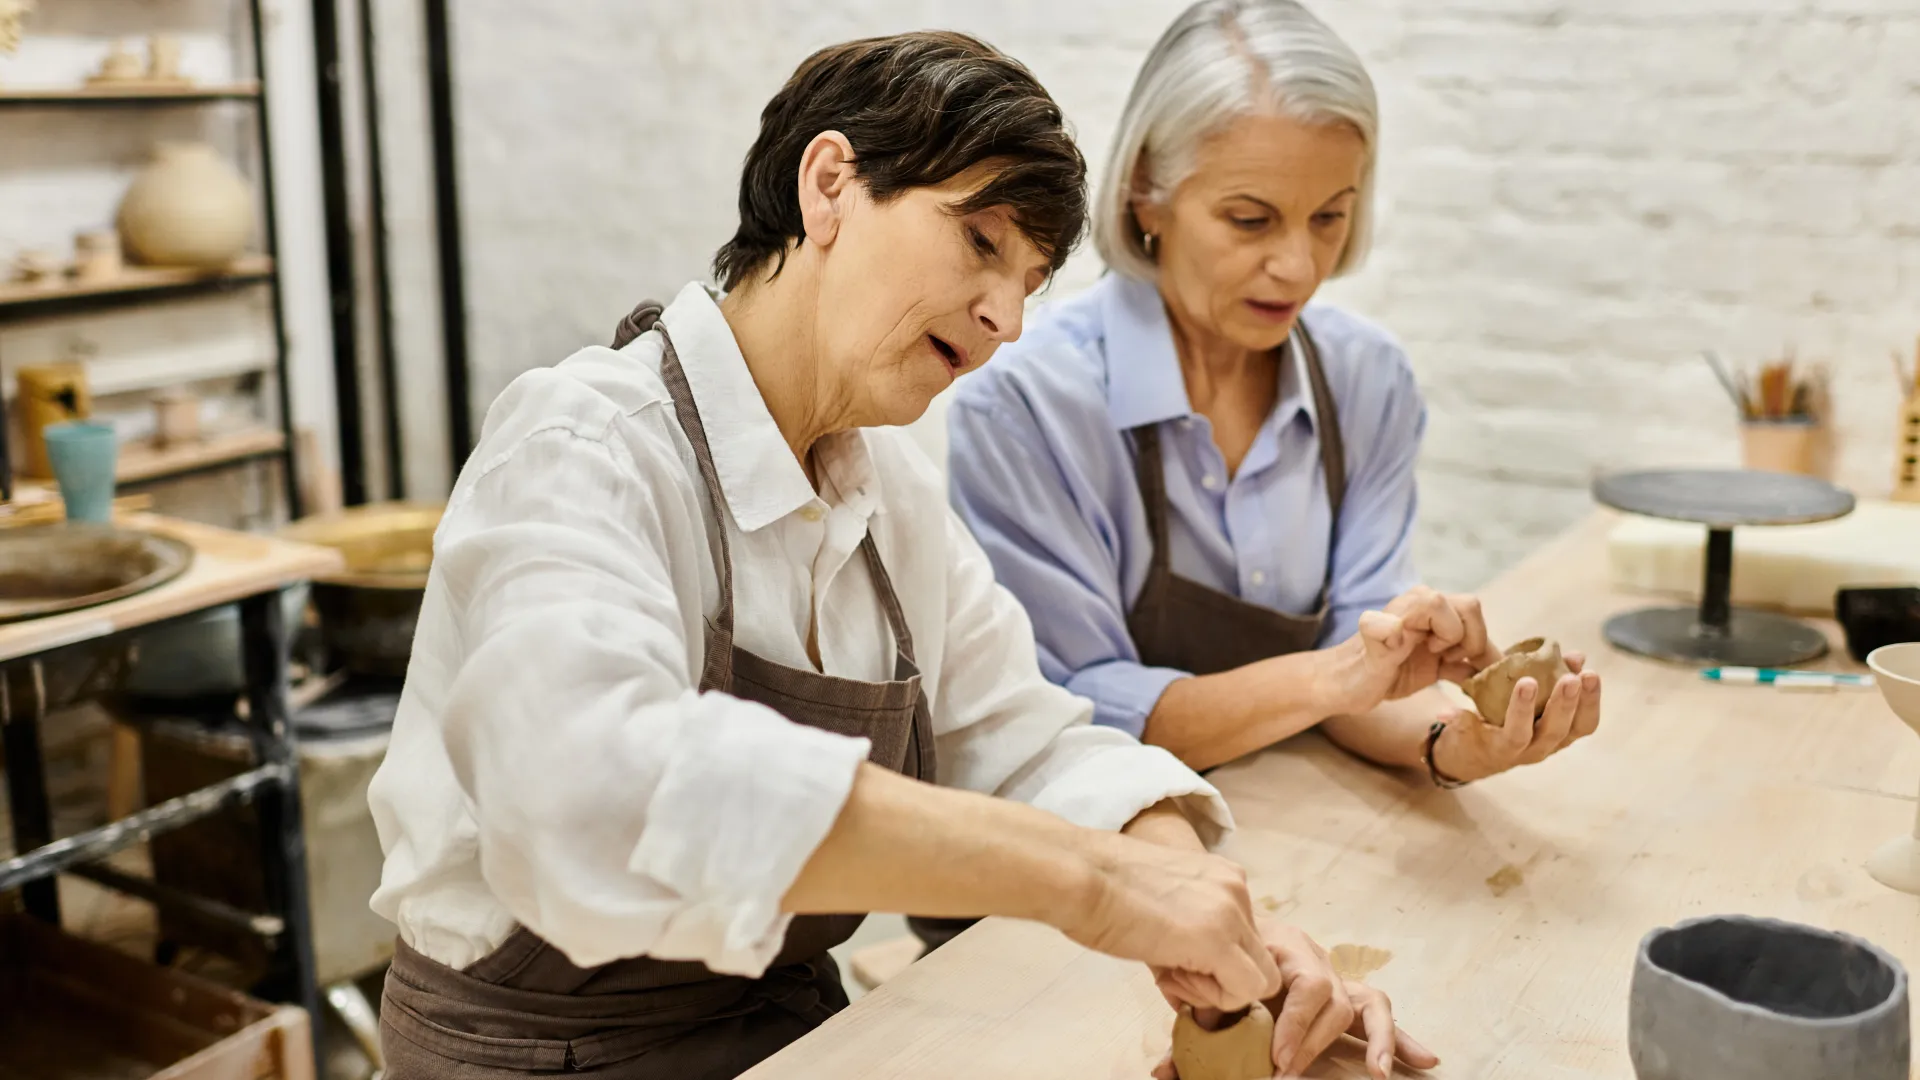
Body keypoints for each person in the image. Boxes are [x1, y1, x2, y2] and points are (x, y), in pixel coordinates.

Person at [366, 31, 1439, 1080]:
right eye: (980, 243)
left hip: (788, 1025)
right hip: (540, 1052)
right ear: (829, 185)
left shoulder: (889, 496)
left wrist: (1216, 914)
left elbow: (1027, 742)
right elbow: (590, 787)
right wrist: (1093, 883)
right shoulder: (585, 443)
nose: (1006, 319)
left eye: (1029, 280)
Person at [947, 0, 1602, 782]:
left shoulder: (1368, 381)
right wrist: (1338, 676)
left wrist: (1452, 743)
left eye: (1329, 218)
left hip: (1288, 809)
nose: (1298, 266)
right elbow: (1080, 710)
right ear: (1146, 191)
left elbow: (1368, 665)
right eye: (1251, 220)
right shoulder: (1028, 407)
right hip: (1092, 822)